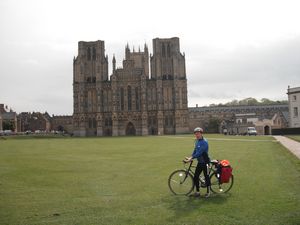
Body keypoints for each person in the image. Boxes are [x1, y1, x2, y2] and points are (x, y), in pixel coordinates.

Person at [185, 127, 211, 197]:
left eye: (198, 133)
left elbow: (199, 153)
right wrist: (191, 156)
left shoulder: (204, 142)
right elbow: (195, 150)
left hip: (205, 162)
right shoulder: (197, 141)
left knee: (206, 176)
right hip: (200, 162)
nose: (197, 135)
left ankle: (208, 192)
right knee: (195, 177)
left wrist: (191, 158)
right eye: (196, 134)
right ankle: (198, 192)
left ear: (201, 133)